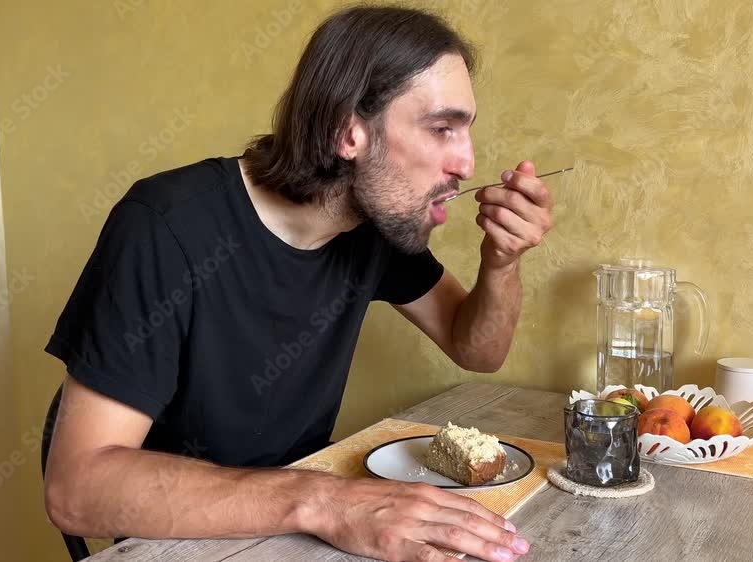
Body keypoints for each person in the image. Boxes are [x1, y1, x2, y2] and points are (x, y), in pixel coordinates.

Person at [43, 5, 553, 562]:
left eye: (466, 130)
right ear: (347, 133)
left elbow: (476, 350)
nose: (466, 163)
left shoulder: (372, 227)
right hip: (186, 541)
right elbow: (77, 489)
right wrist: (323, 500)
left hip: (303, 528)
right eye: (441, 129)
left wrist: (502, 263)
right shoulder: (164, 225)